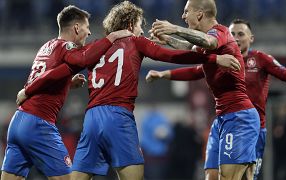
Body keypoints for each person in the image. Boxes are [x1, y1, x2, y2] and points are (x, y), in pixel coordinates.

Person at [14, 2, 242, 180]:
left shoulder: (95, 47)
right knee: (134, 174)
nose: (142, 30)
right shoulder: (136, 41)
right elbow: (173, 56)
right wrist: (214, 58)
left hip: (91, 118)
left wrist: (28, 90)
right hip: (118, 116)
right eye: (140, 24)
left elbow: (57, 72)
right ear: (131, 24)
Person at [147, 18, 286, 180]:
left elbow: (284, 73)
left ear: (251, 38)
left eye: (241, 34)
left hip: (251, 127)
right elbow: (196, 70)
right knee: (212, 175)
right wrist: (163, 74)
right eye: (232, 33)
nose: (236, 38)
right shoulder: (222, 58)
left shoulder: (260, 59)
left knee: (244, 177)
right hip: (226, 122)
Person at [1, 5, 132, 180]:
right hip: (38, 124)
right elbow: (81, 60)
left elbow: (52, 75)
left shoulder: (47, 46)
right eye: (87, 27)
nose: (89, 32)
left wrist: (68, 83)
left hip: (18, 123)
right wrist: (112, 37)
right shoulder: (66, 46)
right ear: (77, 27)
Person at [148, 0, 261, 179]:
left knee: (228, 177)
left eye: (186, 12)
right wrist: (168, 40)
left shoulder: (220, 32)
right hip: (222, 119)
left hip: (240, 118)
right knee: (211, 176)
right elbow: (193, 49)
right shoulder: (210, 44)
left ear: (199, 14)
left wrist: (175, 29)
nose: (183, 16)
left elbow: (208, 41)